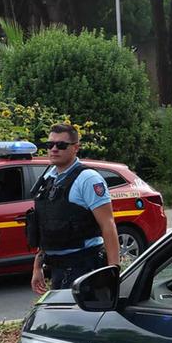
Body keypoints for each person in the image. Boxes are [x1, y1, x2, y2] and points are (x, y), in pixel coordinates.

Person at [28, 123, 120, 294]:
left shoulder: (88, 179)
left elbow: (108, 225)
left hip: (85, 267)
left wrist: (113, 271)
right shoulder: (49, 179)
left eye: (61, 145)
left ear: (75, 148)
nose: (54, 149)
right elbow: (47, 227)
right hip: (57, 269)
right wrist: (37, 266)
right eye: (50, 145)